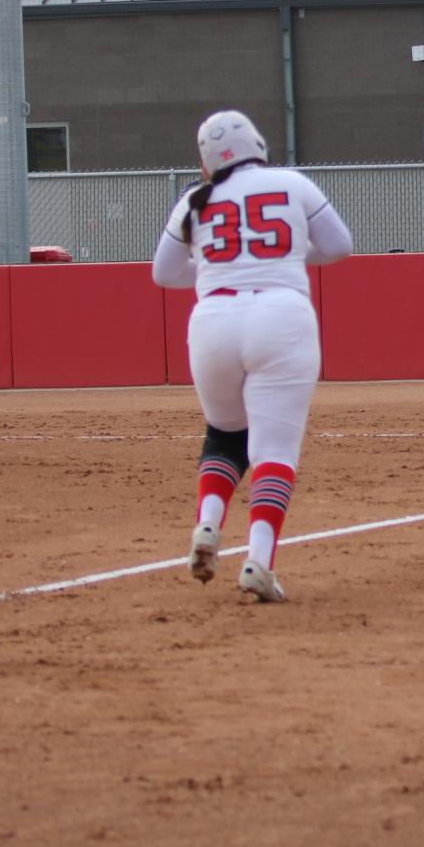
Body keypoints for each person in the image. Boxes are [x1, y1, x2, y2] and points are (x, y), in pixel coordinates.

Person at [152, 110, 354, 606]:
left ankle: (208, 523)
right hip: (281, 317)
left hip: (213, 320)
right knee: (274, 454)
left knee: (224, 435)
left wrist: (214, 271)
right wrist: (281, 255)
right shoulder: (290, 182)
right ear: (257, 144)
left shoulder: (194, 200)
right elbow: (338, 246)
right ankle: (258, 561)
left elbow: (163, 272)